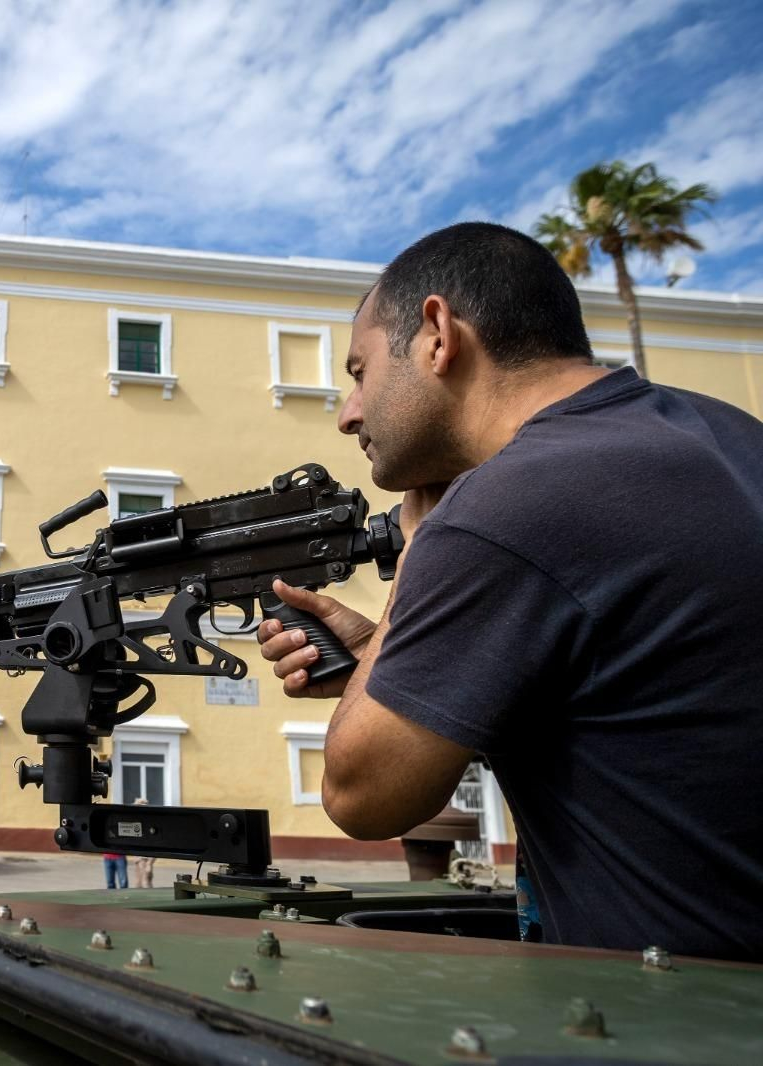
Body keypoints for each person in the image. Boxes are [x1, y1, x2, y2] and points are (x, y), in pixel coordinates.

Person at [257, 221, 763, 960]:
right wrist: (391, 658)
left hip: (677, 1018)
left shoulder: (504, 503)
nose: (348, 413)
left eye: (360, 371)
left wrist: (417, 561)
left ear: (437, 334)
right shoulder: (732, 435)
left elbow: (361, 795)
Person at [131, 798, 155, 888]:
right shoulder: (136, 824)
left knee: (146, 882)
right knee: (138, 883)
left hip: (147, 860)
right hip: (139, 860)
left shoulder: (150, 824)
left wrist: (150, 863)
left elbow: (155, 845)